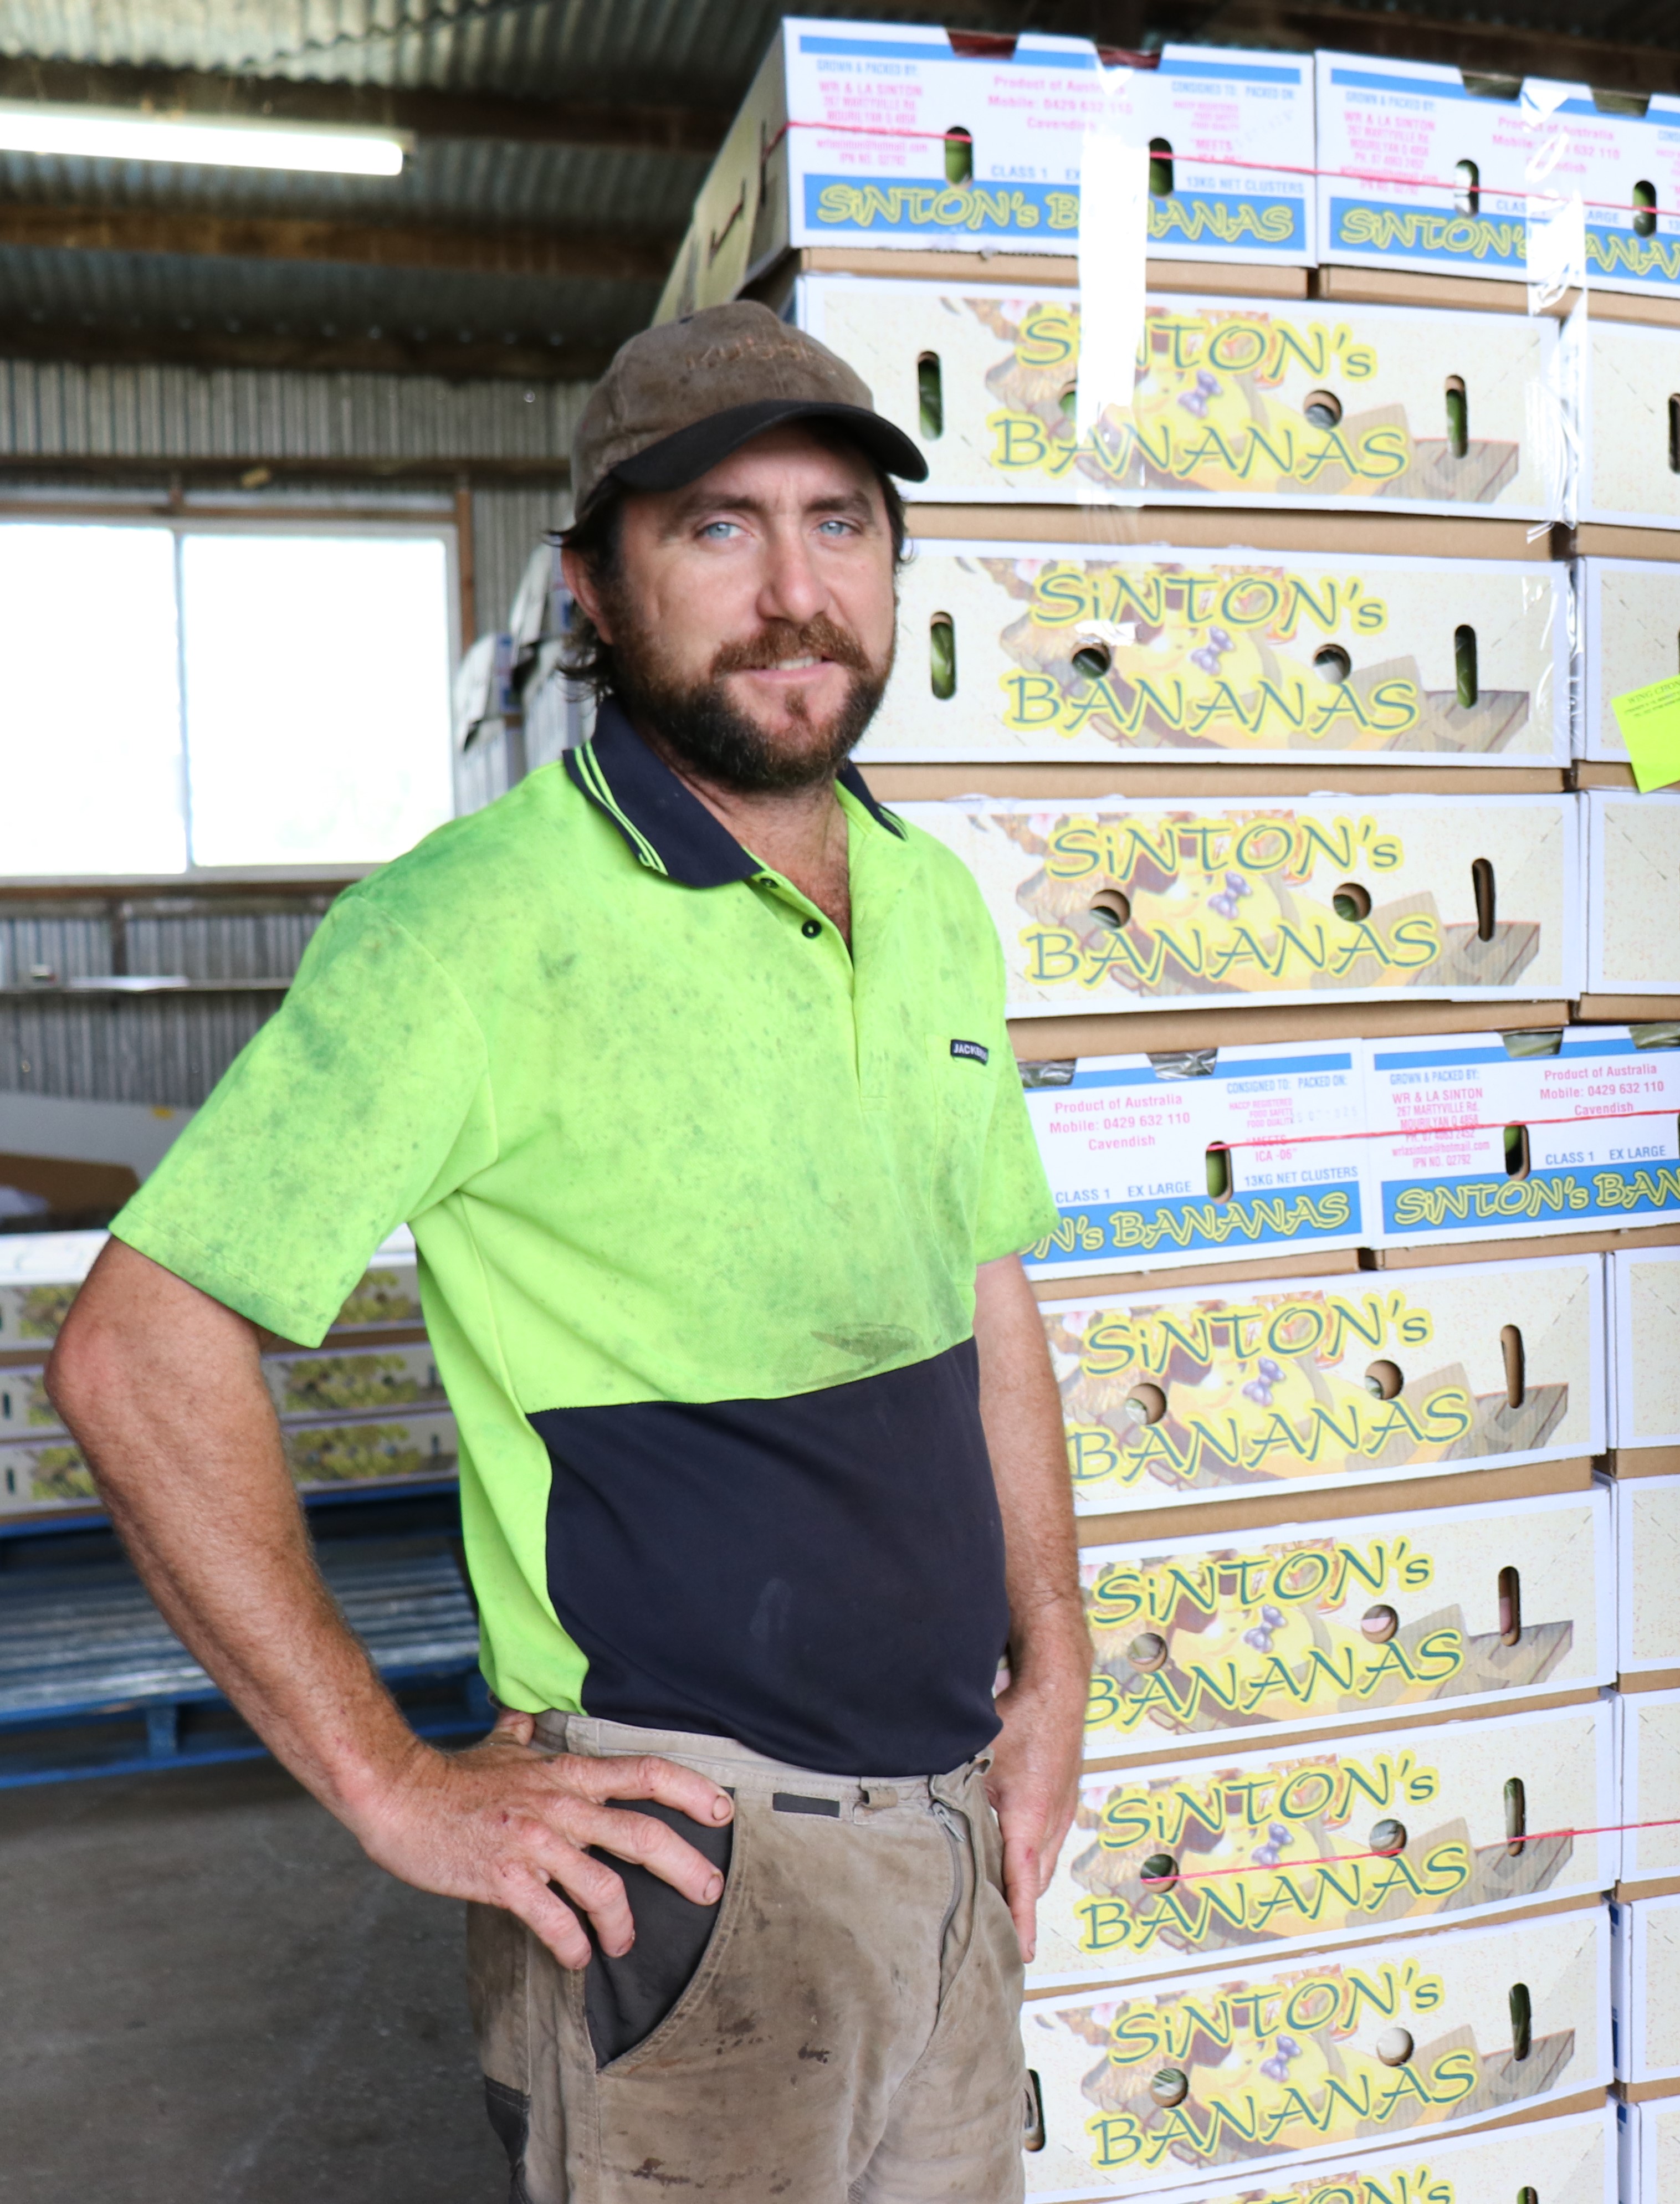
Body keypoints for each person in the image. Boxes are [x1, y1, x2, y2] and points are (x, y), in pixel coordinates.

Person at [47, 301, 1082, 2203]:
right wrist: (392, 1780)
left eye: (839, 523)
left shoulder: (932, 902)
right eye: (717, 529)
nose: (794, 590)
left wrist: (1061, 1660)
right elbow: (136, 1346)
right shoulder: (470, 928)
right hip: (686, 1881)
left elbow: (988, 1292)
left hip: (949, 1841)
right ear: (594, 589)